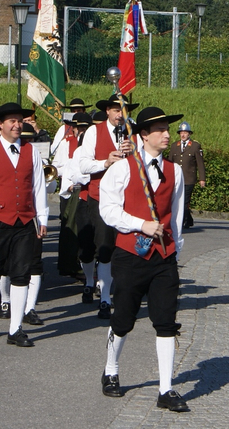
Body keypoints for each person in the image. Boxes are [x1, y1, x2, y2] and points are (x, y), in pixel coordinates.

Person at [99, 106, 188, 412]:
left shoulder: (175, 171)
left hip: (164, 256)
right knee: (123, 319)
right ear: (144, 135)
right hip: (130, 255)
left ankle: (166, 389)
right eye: (160, 130)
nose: (167, 134)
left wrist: (175, 248)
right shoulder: (123, 168)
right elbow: (108, 210)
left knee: (166, 322)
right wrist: (140, 224)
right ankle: (111, 369)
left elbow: (176, 213)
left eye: (168, 129)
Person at [0, 102, 48, 347]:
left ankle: (16, 329)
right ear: (0, 125)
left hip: (24, 221)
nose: (17, 125)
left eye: (20, 121)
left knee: (21, 274)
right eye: (12, 121)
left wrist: (42, 218)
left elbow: (38, 186)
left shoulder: (31, 151)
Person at [72, 96, 138, 319]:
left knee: (121, 246)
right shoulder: (94, 132)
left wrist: (134, 153)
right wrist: (106, 162)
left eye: (123, 110)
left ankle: (111, 295)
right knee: (101, 246)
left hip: (126, 199)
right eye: (116, 110)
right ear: (107, 111)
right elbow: (83, 165)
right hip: (99, 196)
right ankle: (95, 287)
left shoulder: (133, 133)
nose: (120, 114)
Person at [52, 112, 93, 280]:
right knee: (70, 228)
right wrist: (68, 180)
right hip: (71, 190)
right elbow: (57, 167)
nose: (81, 131)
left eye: (85, 128)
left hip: (87, 190)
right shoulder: (66, 144)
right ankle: (70, 264)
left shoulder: (92, 144)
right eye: (79, 128)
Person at [167, 121, 206, 230]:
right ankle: (189, 219)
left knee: (185, 201)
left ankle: (184, 220)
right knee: (177, 200)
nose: (183, 135)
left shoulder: (195, 146)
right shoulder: (175, 146)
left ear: (189, 134)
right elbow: (170, 162)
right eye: (181, 133)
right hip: (177, 178)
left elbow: (200, 163)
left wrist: (202, 178)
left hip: (189, 178)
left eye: (185, 133)